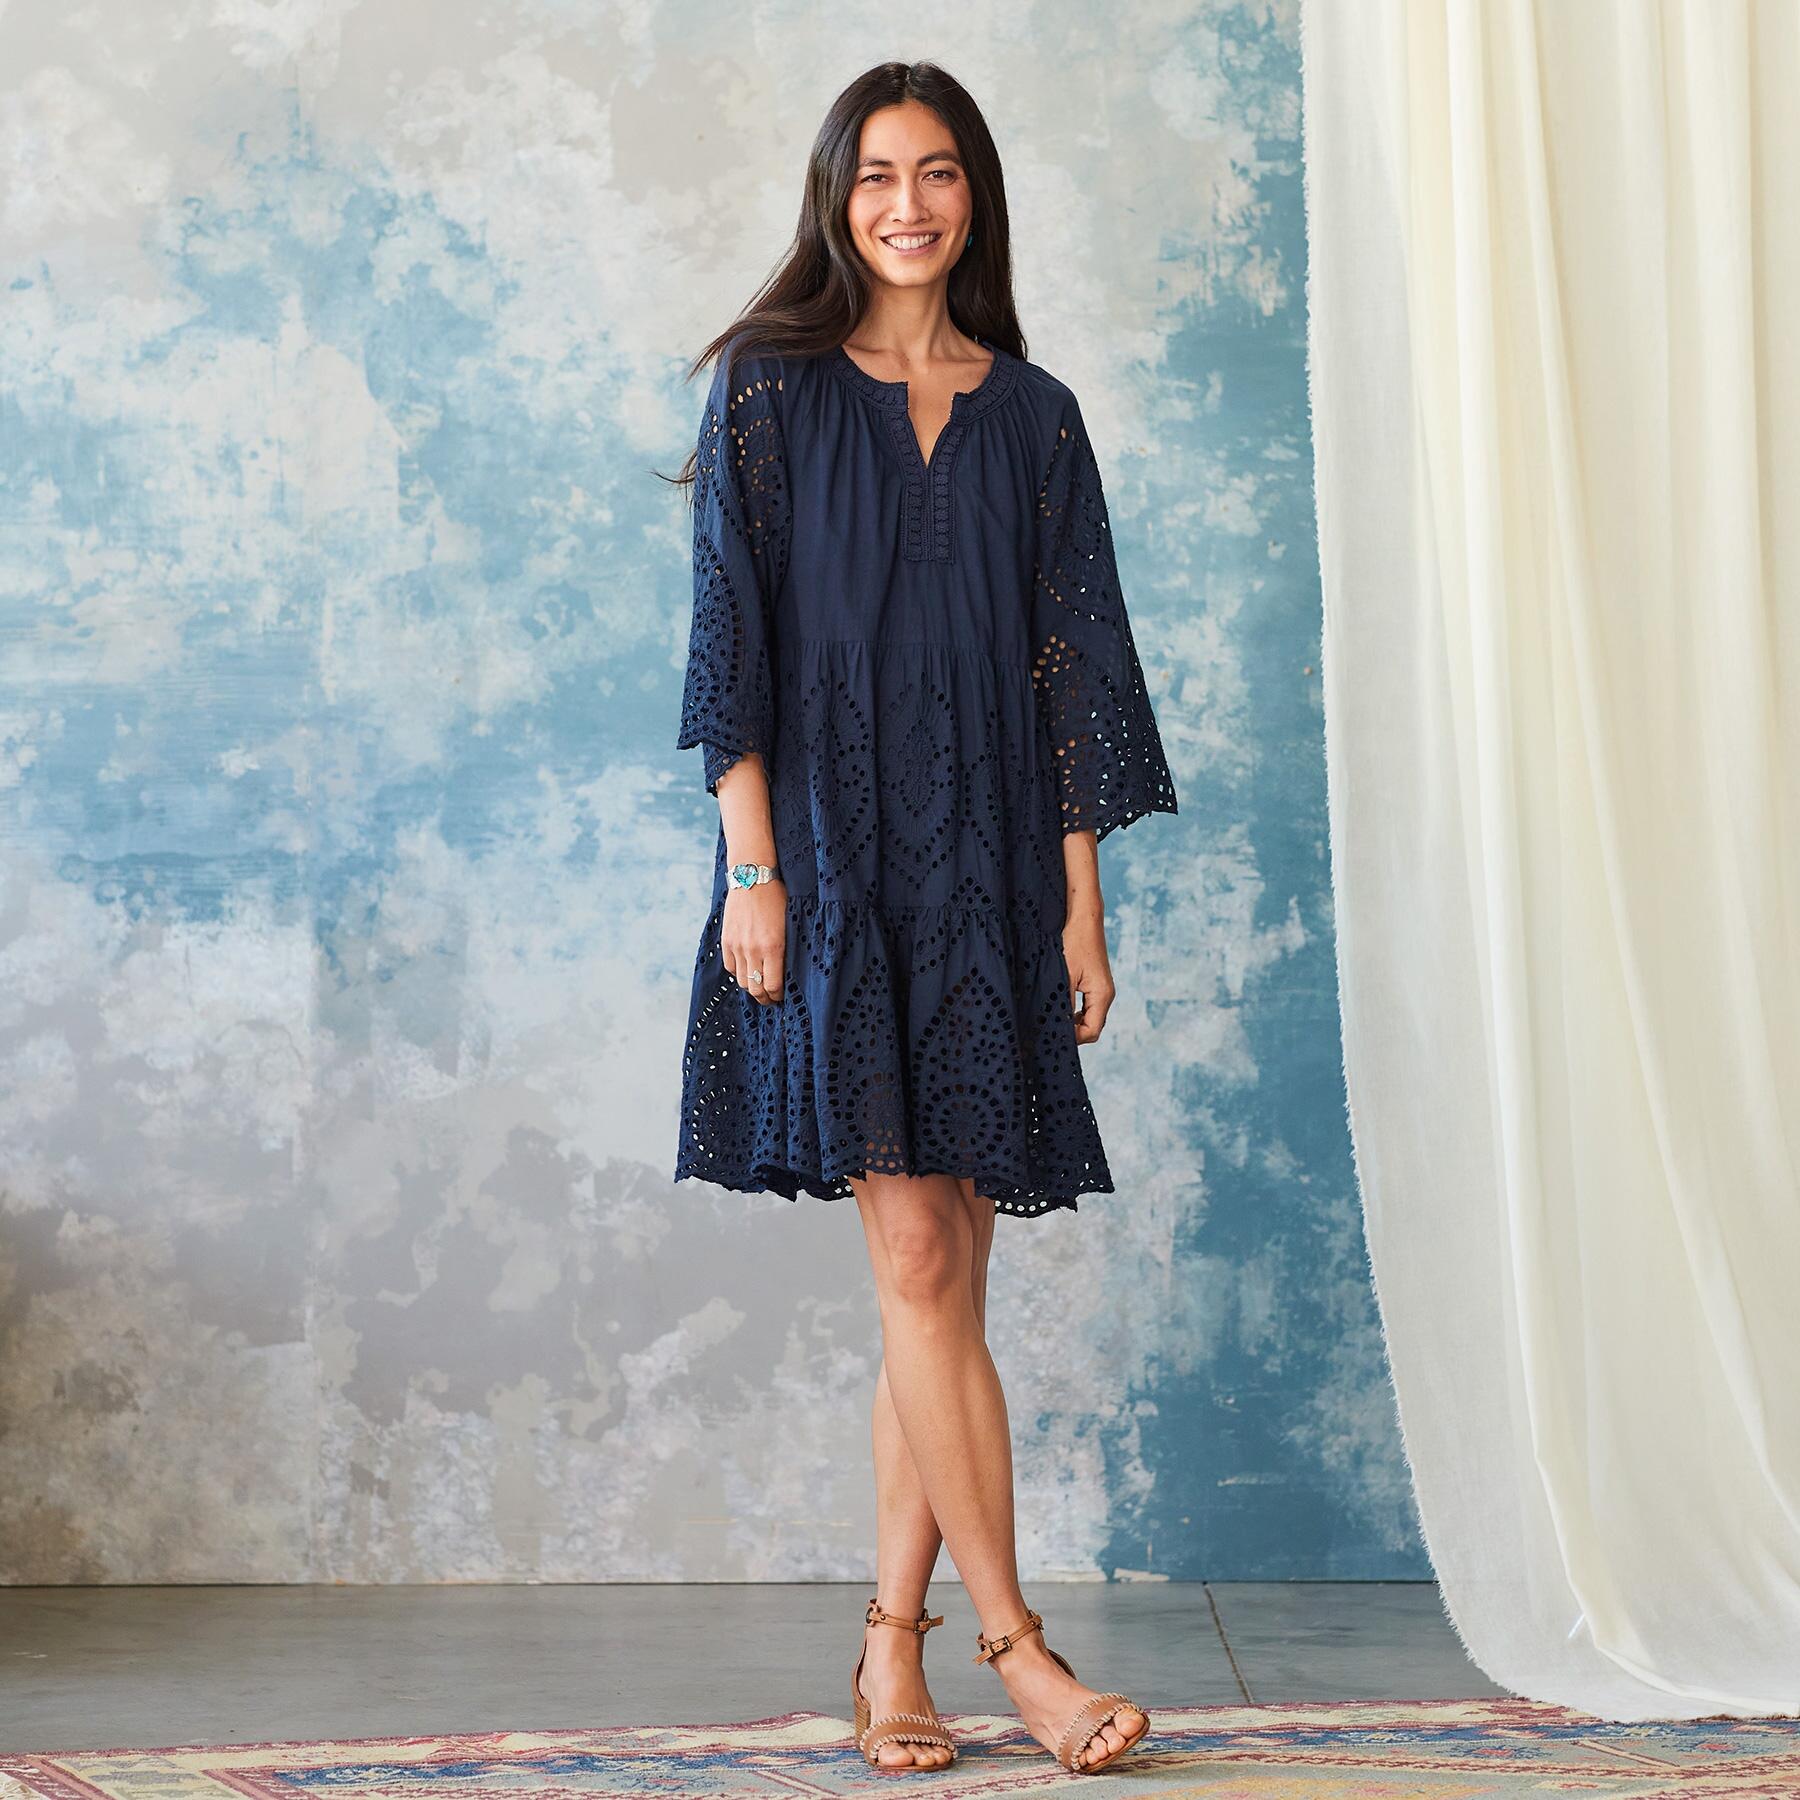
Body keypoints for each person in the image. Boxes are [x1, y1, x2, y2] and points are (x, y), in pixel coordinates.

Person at [669, 60, 1178, 1776]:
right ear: (838, 197)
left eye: (939, 171)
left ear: (976, 197)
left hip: (992, 880)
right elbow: (730, 641)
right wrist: (753, 869)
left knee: (941, 1272)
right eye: (878, 174)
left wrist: (1081, 908)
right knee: (915, 1259)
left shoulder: (1036, 416)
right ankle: (1021, 1652)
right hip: (828, 873)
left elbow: (1076, 682)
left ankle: (893, 1648)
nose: (909, 203)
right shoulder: (768, 390)